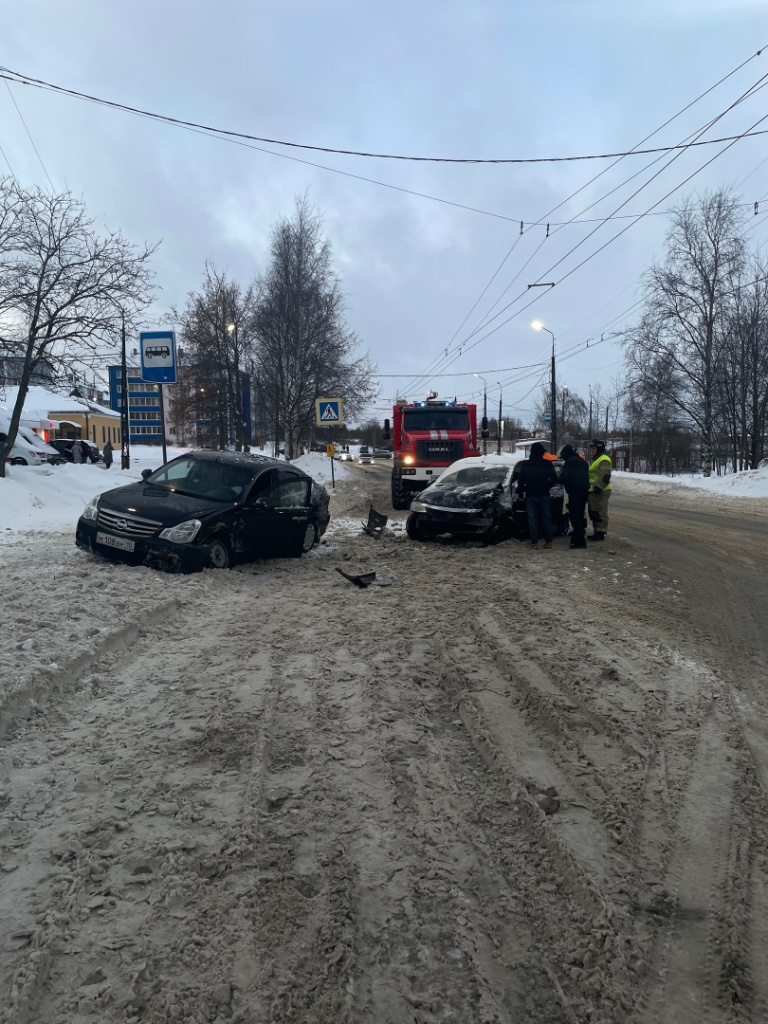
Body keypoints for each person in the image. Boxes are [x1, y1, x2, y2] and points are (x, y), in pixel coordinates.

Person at [514, 442, 560, 549]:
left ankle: (534, 543)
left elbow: (520, 481)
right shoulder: (547, 464)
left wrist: (521, 495)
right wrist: (546, 486)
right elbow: (554, 480)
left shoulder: (526, 465)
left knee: (532, 519)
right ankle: (548, 542)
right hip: (544, 494)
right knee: (547, 518)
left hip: (530, 495)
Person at [559, 444, 589, 548]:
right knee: (579, 516)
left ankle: (579, 542)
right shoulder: (582, 461)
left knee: (575, 517)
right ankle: (577, 538)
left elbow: (564, 478)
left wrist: (555, 479)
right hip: (584, 493)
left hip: (575, 492)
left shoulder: (570, 462)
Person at [587, 438, 612, 541]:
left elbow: (605, 476)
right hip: (593, 491)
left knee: (600, 512)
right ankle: (597, 532)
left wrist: (599, 487)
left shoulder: (604, 459)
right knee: (594, 512)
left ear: (599, 448)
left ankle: (601, 533)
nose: (592, 450)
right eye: (591, 448)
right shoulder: (595, 459)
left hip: (601, 491)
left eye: (594, 448)